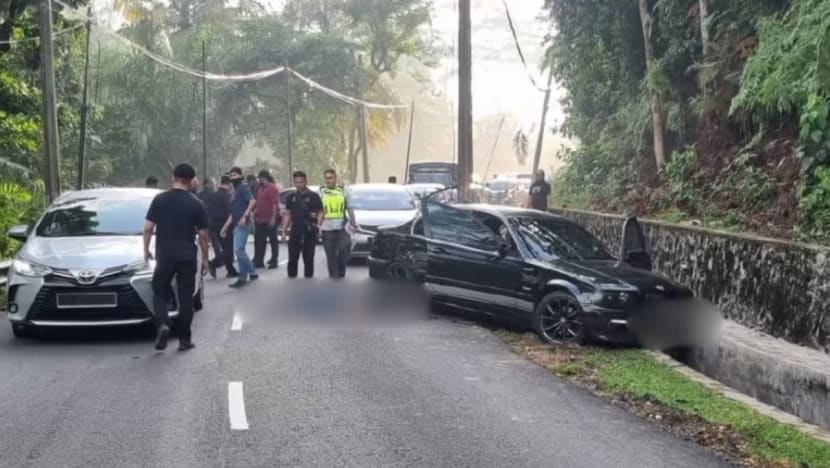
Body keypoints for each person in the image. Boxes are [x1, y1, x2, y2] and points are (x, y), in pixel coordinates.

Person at [142, 163, 209, 351]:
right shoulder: (197, 203)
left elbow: (148, 228)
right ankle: (184, 339)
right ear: (192, 180)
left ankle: (163, 323)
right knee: (186, 296)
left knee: (159, 290)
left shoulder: (159, 199)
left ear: (173, 177)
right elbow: (203, 235)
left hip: (165, 256)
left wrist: (146, 250)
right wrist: (204, 258)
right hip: (187, 256)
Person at [281, 170, 323, 279]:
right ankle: (292, 280)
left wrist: (318, 225)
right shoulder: (291, 197)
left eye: (301, 182)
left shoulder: (314, 196)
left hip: (310, 231)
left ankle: (308, 281)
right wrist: (284, 231)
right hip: (295, 231)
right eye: (296, 182)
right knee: (292, 258)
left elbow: (320, 212)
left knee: (308, 258)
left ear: (306, 181)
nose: (299, 184)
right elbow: (288, 214)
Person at [222, 167, 258, 288]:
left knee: (238, 250)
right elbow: (233, 211)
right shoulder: (234, 191)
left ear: (240, 175)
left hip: (243, 222)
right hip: (236, 223)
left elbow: (252, 201)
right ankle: (252, 272)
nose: (233, 178)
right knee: (240, 250)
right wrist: (226, 226)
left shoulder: (243, 187)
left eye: (235, 175)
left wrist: (245, 215)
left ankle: (243, 277)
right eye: (231, 176)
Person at [318, 169, 356, 279]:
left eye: (330, 178)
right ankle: (334, 279)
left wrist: (354, 223)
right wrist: (319, 225)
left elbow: (350, 208)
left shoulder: (343, 190)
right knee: (331, 257)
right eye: (326, 178)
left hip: (342, 227)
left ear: (335, 178)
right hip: (327, 229)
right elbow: (320, 210)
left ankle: (341, 271)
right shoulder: (321, 191)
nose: (328, 180)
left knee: (345, 249)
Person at [199, 176, 238, 279]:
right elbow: (230, 212)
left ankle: (231, 270)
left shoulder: (214, 195)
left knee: (225, 248)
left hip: (213, 224)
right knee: (229, 249)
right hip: (224, 225)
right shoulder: (226, 196)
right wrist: (227, 225)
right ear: (229, 184)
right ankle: (212, 264)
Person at [253, 169, 280, 269]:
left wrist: (273, 218)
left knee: (273, 240)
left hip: (270, 219)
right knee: (260, 240)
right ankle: (259, 261)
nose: (259, 180)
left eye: (259, 178)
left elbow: (274, 204)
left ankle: (274, 260)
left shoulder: (272, 188)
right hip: (261, 219)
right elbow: (259, 202)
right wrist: (255, 212)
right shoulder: (260, 188)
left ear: (263, 178)